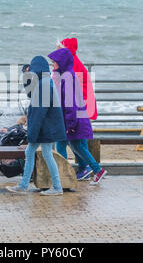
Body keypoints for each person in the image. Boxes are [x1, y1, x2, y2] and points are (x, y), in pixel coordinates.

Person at [6, 56, 66, 196]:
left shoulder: (44, 85)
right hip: (45, 127)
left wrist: (31, 134)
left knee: (46, 154)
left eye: (33, 70)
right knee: (33, 152)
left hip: (46, 127)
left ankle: (56, 187)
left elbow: (39, 112)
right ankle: (24, 185)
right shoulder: (43, 81)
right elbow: (30, 94)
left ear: (37, 70)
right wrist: (26, 76)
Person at [48, 47, 107, 185]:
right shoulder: (67, 75)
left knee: (64, 145)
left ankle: (63, 174)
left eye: (54, 62)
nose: (52, 65)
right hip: (76, 120)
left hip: (73, 121)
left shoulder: (67, 78)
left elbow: (70, 105)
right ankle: (97, 170)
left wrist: (70, 124)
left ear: (61, 63)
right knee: (77, 147)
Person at [55, 38, 98, 180]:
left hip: (76, 110)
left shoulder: (71, 65)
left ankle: (68, 170)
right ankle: (85, 169)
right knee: (79, 142)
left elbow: (69, 93)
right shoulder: (73, 63)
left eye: (59, 48)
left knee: (64, 142)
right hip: (80, 109)